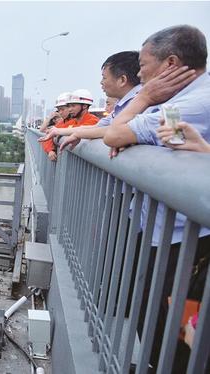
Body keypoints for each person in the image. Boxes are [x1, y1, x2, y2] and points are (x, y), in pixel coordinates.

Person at [102, 25, 210, 372]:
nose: (139, 74)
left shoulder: (191, 105)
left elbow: (114, 134)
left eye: (144, 65)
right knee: (165, 318)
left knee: (178, 325)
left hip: (186, 244)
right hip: (172, 236)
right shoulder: (183, 103)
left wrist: (145, 99)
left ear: (171, 63)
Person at [47, 51, 142, 151]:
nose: (101, 82)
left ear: (122, 80)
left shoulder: (144, 103)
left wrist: (78, 134)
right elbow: (98, 128)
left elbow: (121, 131)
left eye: (104, 77)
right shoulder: (122, 105)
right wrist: (58, 131)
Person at [38, 88, 99, 160]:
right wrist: (50, 150)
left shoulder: (93, 121)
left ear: (85, 106)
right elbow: (48, 135)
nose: (70, 109)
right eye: (69, 106)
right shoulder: (71, 122)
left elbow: (81, 130)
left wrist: (59, 132)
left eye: (73, 106)